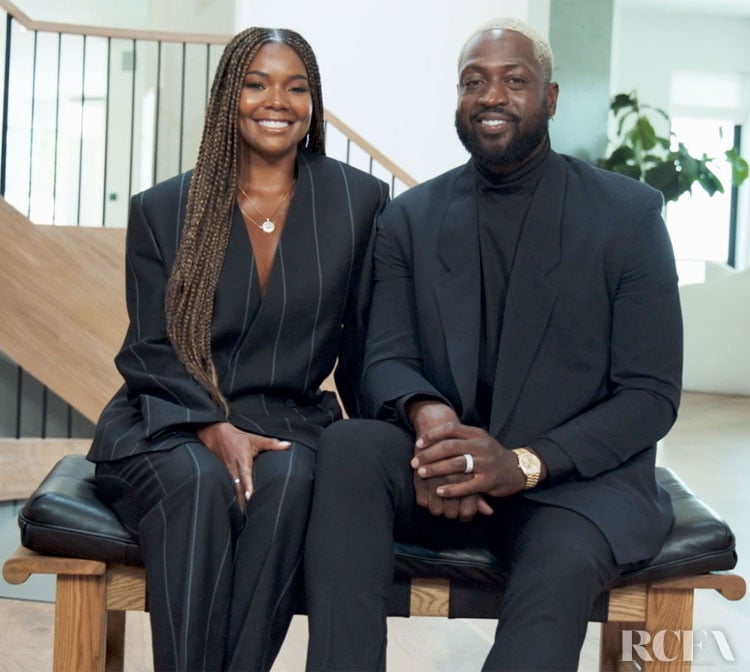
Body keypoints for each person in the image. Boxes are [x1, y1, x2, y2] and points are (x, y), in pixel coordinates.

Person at [304, 16, 682, 672]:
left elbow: (649, 396)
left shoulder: (628, 216)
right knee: (350, 447)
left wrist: (525, 463)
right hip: (445, 474)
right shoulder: (410, 219)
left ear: (551, 98)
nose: (492, 95)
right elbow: (384, 358)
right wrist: (433, 427)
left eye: (515, 79)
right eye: (473, 81)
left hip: (570, 486)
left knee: (557, 575)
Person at [87, 26, 388, 672]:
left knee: (293, 481)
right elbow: (148, 348)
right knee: (198, 485)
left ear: (312, 103)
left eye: (295, 86)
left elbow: (362, 350)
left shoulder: (358, 202)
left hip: (288, 422)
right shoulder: (164, 209)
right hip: (167, 419)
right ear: (229, 96)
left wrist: (387, 448)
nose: (275, 100)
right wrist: (210, 426)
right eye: (255, 83)